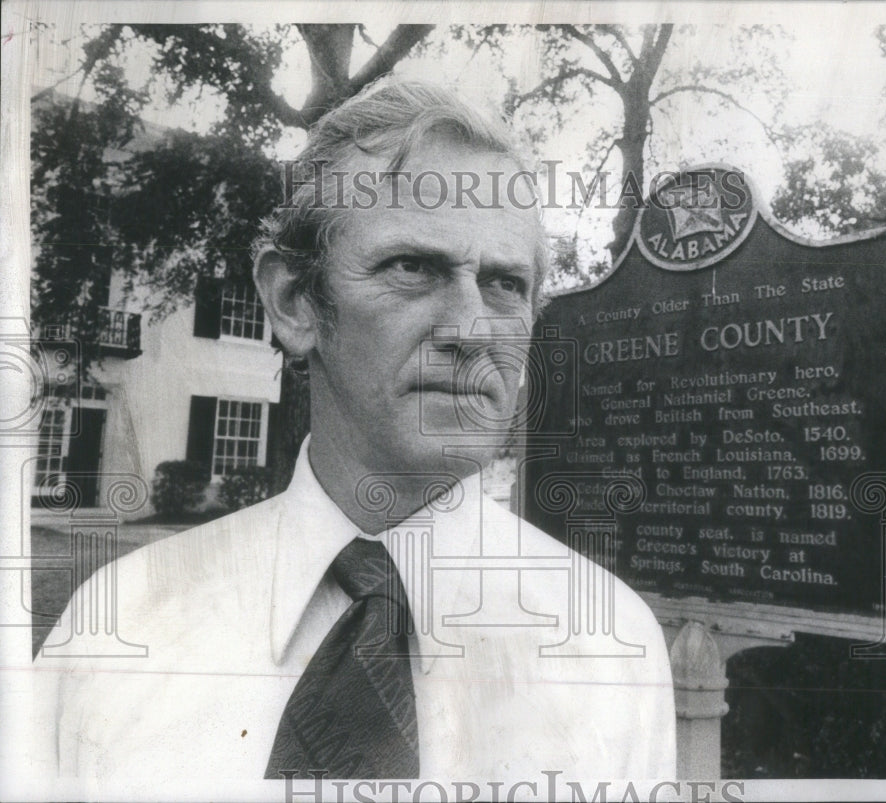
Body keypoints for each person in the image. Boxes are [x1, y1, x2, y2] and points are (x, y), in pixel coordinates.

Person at [29, 77, 675, 784]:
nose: (470, 329)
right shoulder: (115, 631)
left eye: (503, 284)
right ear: (294, 301)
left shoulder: (614, 649)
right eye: (411, 267)